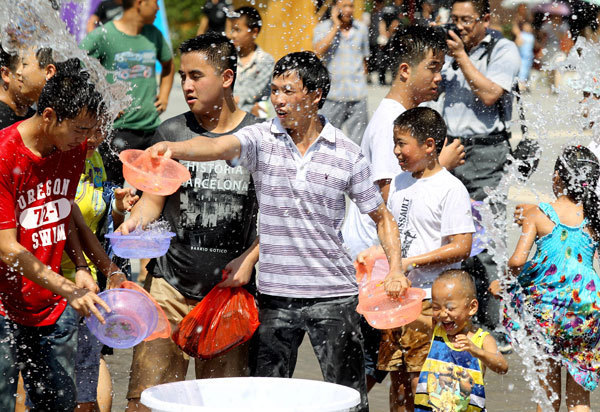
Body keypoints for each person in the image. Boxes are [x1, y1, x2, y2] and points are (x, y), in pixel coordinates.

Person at [143, 51, 408, 412]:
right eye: (274, 90)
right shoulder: (261, 140)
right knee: (265, 402)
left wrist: (395, 268)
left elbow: (382, 217)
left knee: (350, 401)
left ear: (314, 96)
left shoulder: (347, 153)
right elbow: (218, 145)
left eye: (288, 91)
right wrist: (175, 148)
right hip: (274, 298)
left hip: (334, 297)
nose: (278, 100)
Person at [122, 33, 259, 412]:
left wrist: (249, 259)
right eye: (182, 76)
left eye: (196, 76)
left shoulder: (258, 138)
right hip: (167, 289)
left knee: (222, 405)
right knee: (148, 401)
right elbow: (151, 203)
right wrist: (130, 222)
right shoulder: (171, 133)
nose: (186, 86)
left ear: (227, 77)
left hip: (228, 296)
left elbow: (274, 219)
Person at [341, 24, 464, 395]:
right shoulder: (390, 125)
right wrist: (439, 163)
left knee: (391, 373)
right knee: (372, 372)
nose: (439, 77)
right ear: (405, 70)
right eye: (433, 66)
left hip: (387, 267)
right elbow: (384, 198)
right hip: (377, 268)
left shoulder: (402, 118)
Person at [0, 72, 110, 412]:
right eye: (79, 128)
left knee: (58, 405)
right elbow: (6, 247)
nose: (87, 139)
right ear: (48, 115)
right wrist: (68, 288)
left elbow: (63, 208)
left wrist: (80, 266)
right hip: (3, 309)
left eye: (91, 130)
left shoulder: (71, 148)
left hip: (54, 307)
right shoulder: (5, 155)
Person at [359, 107, 475, 411]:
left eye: (402, 143)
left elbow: (462, 246)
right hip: (396, 299)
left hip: (430, 302)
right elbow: (393, 232)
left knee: (423, 383)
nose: (396, 151)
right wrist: (377, 255)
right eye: (394, 143)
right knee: (398, 383)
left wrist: (412, 262)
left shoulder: (451, 189)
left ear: (429, 145)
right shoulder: (398, 182)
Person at [433, 0, 520, 352]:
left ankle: (499, 324)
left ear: (485, 18)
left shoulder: (504, 49)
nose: (460, 27)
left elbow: (490, 94)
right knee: (453, 239)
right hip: (450, 148)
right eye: (455, 20)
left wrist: (462, 58)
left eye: (467, 20)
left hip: (486, 152)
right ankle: (462, 315)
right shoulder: (448, 46)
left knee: (488, 241)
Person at [502, 146, 600, 412]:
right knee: (580, 399)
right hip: (586, 309)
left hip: (550, 308)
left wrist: (505, 281)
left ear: (557, 178)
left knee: (548, 396)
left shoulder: (537, 213)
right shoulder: (594, 217)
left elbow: (517, 261)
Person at [81, 0, 174, 186]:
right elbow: (77, 65)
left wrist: (164, 96)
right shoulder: (104, 35)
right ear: (140, 3)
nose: (157, 7)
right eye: (155, 2)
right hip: (118, 130)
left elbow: (168, 65)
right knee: (111, 189)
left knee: (151, 191)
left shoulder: (153, 35)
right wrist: (102, 98)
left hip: (151, 128)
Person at [415, 270, 508, 411]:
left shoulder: (482, 339)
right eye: (436, 307)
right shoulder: (436, 329)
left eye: (450, 308)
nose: (442, 314)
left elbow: (502, 367)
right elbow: (410, 319)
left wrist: (477, 351)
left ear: (472, 307)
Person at [313, 0, 370, 145]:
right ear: (335, 8)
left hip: (357, 95)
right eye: (344, 6)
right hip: (333, 95)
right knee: (327, 141)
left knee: (359, 143)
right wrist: (335, 27)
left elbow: (364, 59)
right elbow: (318, 51)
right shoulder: (322, 28)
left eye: (351, 6)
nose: (348, 10)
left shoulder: (361, 29)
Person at [227, 6, 274, 113]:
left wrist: (227, 102)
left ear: (254, 32)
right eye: (232, 30)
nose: (233, 35)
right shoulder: (227, 58)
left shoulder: (265, 61)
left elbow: (251, 95)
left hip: (256, 122)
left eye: (238, 30)